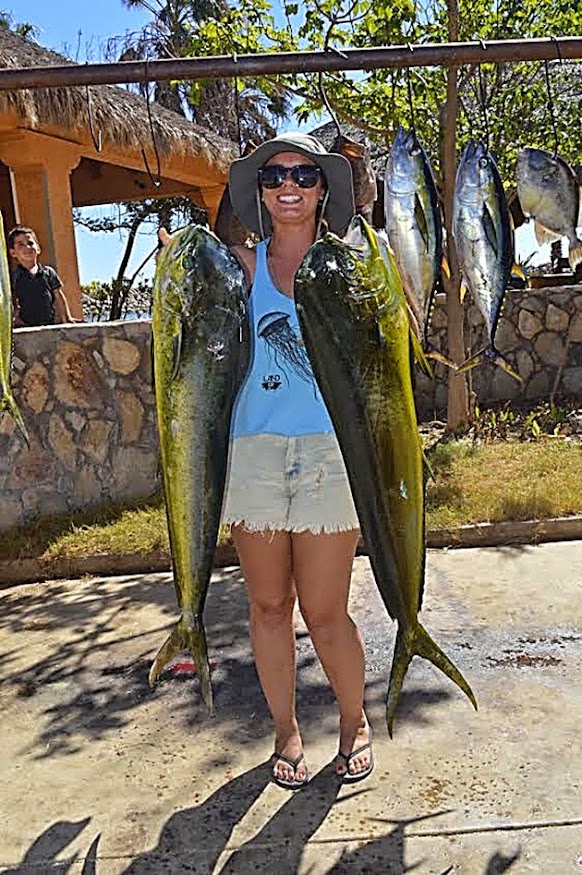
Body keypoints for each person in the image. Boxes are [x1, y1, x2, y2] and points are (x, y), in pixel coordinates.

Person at [220, 132, 374, 790]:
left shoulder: (349, 269)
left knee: (326, 609)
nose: (289, 185)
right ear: (259, 192)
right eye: (275, 175)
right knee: (268, 605)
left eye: (304, 174)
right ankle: (285, 729)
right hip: (252, 453)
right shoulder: (234, 268)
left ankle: (354, 719)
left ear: (322, 191)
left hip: (329, 454)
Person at [8, 225, 77, 326]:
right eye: (21, 244)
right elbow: (10, 300)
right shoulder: (14, 276)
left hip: (49, 324)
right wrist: (15, 318)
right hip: (25, 325)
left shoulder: (48, 273)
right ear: (13, 252)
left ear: (38, 248)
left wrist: (67, 318)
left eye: (30, 243)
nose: (27, 247)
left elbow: (59, 296)